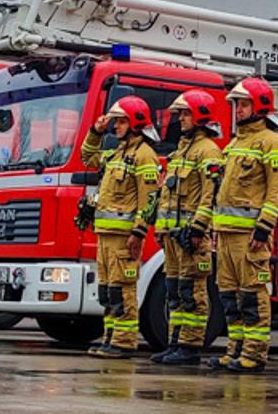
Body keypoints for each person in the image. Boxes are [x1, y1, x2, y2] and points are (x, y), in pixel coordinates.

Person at [195, 77, 278, 373]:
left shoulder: (272, 142)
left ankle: (254, 353)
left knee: (252, 295)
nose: (238, 110)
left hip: (250, 237)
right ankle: (234, 350)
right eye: (236, 105)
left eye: (244, 104)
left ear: (260, 106)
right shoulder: (235, 143)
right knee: (229, 296)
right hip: (225, 236)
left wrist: (264, 228)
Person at [77, 96, 161, 359]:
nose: (116, 127)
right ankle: (110, 337)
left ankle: (123, 342)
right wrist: (96, 131)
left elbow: (149, 199)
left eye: (121, 122)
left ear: (135, 123)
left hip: (125, 238)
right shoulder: (116, 153)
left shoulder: (144, 156)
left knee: (122, 289)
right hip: (105, 236)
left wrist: (138, 232)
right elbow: (87, 157)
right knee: (107, 290)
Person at [148, 90, 225, 365]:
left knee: (192, 293)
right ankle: (175, 343)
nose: (180, 119)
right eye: (180, 114)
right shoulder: (182, 149)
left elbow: (210, 194)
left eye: (185, 113)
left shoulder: (208, 151)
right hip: (173, 238)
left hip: (191, 238)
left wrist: (197, 228)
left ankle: (190, 347)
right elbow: (165, 195)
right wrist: (160, 228)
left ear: (201, 115)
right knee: (174, 291)